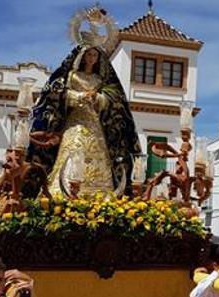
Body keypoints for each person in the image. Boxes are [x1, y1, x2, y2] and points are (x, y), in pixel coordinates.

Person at [28, 42, 140, 195]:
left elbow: (110, 100)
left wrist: (98, 98)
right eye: (89, 54)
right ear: (82, 56)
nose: (92, 58)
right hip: (76, 120)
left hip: (93, 121)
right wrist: (80, 96)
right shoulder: (73, 76)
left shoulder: (99, 79)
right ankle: (63, 188)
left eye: (95, 55)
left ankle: (100, 190)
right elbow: (62, 94)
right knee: (74, 147)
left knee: (96, 150)